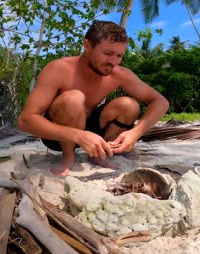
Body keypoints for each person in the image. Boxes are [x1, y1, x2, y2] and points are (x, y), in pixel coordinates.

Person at [18, 20, 169, 176]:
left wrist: (135, 132)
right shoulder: (59, 69)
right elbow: (25, 120)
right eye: (108, 54)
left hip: (93, 132)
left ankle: (100, 154)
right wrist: (78, 135)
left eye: (119, 55)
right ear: (87, 46)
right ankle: (68, 157)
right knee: (74, 98)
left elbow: (161, 102)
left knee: (129, 105)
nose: (114, 62)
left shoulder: (119, 74)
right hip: (58, 136)